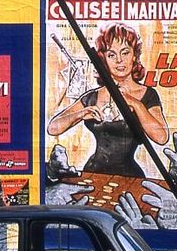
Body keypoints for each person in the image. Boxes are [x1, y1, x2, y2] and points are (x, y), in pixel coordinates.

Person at [47, 22, 169, 177]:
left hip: (129, 177)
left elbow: (161, 137)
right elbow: (53, 128)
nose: (119, 60)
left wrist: (134, 103)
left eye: (125, 53)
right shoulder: (93, 96)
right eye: (111, 55)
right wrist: (81, 114)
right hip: (92, 173)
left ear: (134, 56)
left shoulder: (148, 94)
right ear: (104, 59)